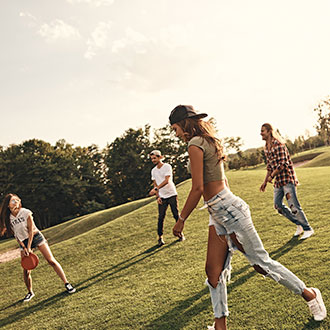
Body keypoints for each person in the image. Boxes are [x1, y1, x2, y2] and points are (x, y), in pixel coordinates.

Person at [169, 105, 326, 330]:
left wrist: (181, 219)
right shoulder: (209, 141)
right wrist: (216, 210)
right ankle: (220, 326)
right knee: (213, 272)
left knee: (262, 264)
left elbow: (197, 188)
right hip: (219, 212)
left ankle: (310, 295)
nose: (175, 134)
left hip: (229, 211)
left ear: (183, 123)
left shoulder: (194, 145)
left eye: (174, 128)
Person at [0, 193, 76, 302]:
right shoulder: (9, 218)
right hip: (24, 242)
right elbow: (16, 235)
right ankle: (30, 292)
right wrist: (24, 247)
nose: (16, 202)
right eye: (13, 201)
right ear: (8, 205)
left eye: (17, 200)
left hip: (35, 237)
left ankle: (67, 283)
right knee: (26, 270)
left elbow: (31, 231)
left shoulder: (26, 212)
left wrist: (29, 246)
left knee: (51, 261)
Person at [259, 123, 314, 240]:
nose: (261, 133)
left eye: (263, 131)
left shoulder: (278, 145)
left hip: (287, 179)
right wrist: (265, 181)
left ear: (269, 131)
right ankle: (299, 224)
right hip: (278, 182)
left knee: (294, 205)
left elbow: (282, 164)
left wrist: (272, 176)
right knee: (277, 205)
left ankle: (308, 229)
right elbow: (270, 166)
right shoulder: (266, 148)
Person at [148, 149, 184, 246]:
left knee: (176, 214)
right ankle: (160, 238)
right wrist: (157, 196)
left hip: (171, 193)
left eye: (155, 158)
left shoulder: (167, 166)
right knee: (161, 217)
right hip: (162, 196)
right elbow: (155, 183)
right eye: (152, 159)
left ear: (160, 157)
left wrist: (156, 189)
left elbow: (167, 180)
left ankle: (180, 234)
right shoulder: (153, 171)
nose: (153, 160)